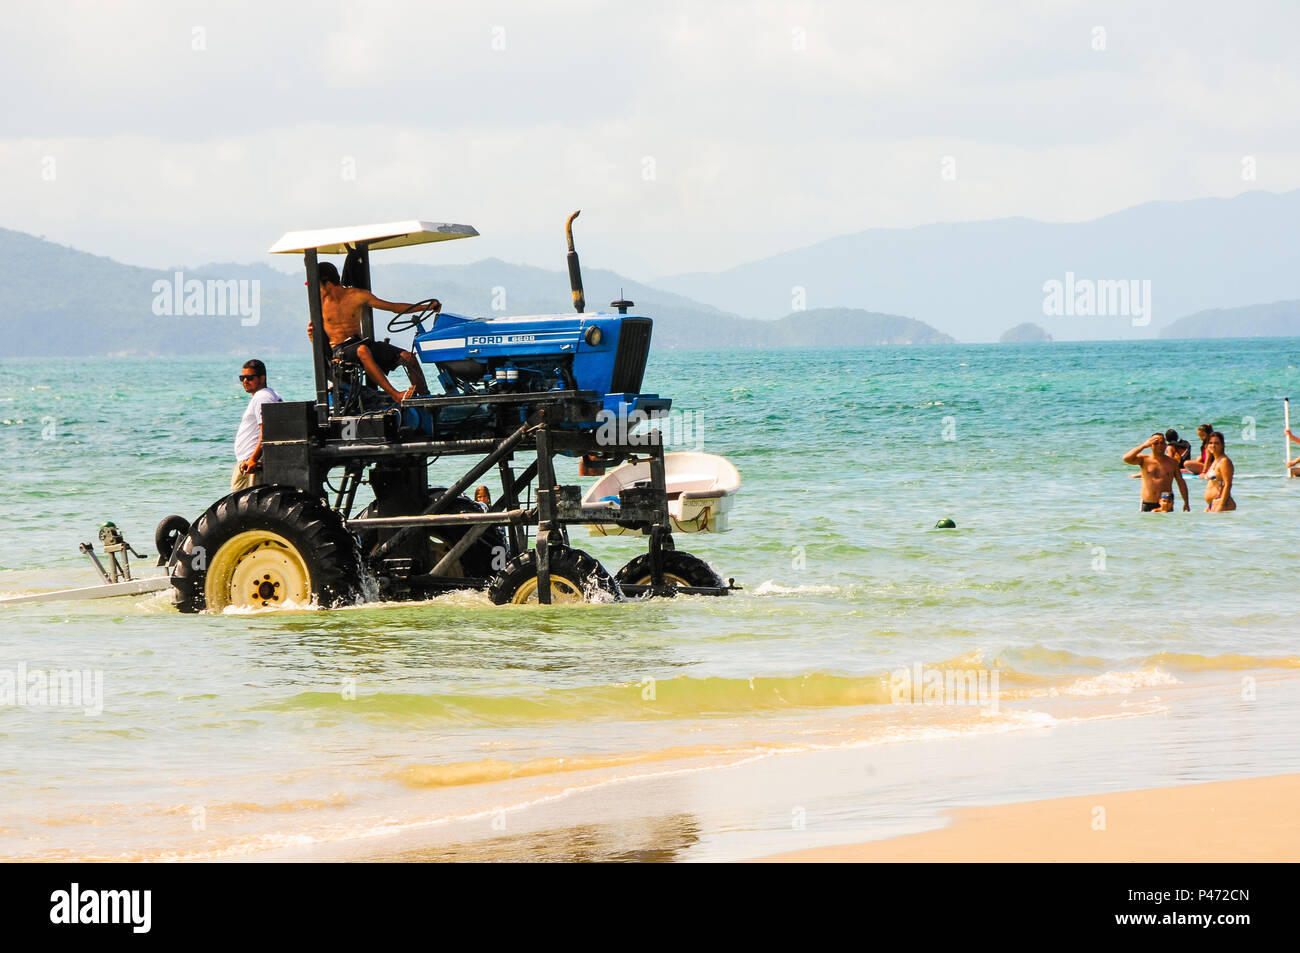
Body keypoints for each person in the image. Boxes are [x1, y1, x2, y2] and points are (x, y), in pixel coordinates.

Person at [307, 261, 431, 404]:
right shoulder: (318, 305)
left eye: (316, 284)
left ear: (326, 282)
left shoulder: (356, 295)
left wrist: (425, 307)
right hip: (340, 350)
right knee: (363, 350)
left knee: (407, 357)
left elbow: (393, 307)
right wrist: (312, 336)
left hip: (360, 343)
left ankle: (423, 399)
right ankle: (396, 395)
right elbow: (316, 335)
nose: (315, 289)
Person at [233, 359, 282, 492]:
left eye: (249, 378)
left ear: (262, 378)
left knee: (243, 506)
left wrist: (253, 459)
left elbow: (267, 430)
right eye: (242, 378)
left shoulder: (262, 397)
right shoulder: (270, 394)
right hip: (250, 460)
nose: (245, 381)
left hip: (251, 462)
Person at [1122, 432, 1190, 512]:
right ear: (1150, 445)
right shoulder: (1144, 459)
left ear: (1165, 445)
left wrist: (1186, 502)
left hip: (1166, 503)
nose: (1159, 445)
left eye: (1162, 443)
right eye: (1156, 443)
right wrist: (1143, 446)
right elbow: (1126, 458)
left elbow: (1180, 482)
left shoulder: (1172, 462)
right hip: (1147, 503)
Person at [1202, 431, 1236, 511]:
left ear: (1222, 445)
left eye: (1216, 443)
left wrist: (1221, 506)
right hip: (1213, 504)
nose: (1213, 445)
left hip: (1223, 503)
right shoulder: (1215, 461)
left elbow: (1228, 484)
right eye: (1210, 443)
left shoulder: (1224, 461)